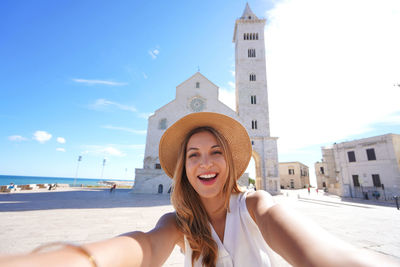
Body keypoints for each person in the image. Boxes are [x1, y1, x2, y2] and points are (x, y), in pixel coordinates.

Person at [0, 112, 397, 267]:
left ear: (230, 161)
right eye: (193, 155)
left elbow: (324, 254)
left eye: (214, 152)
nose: (204, 163)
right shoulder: (177, 223)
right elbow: (142, 247)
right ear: (183, 168)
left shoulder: (256, 205)